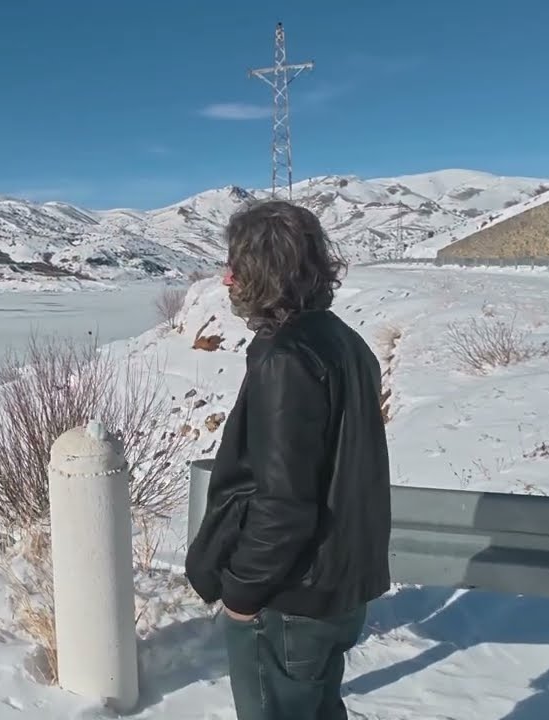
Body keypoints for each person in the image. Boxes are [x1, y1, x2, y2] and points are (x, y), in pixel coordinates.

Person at [184, 200, 391, 720]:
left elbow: (284, 502)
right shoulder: (343, 340)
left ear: (260, 271)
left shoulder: (286, 359)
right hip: (339, 585)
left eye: (235, 264)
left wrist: (242, 592)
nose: (226, 278)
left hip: (291, 595)